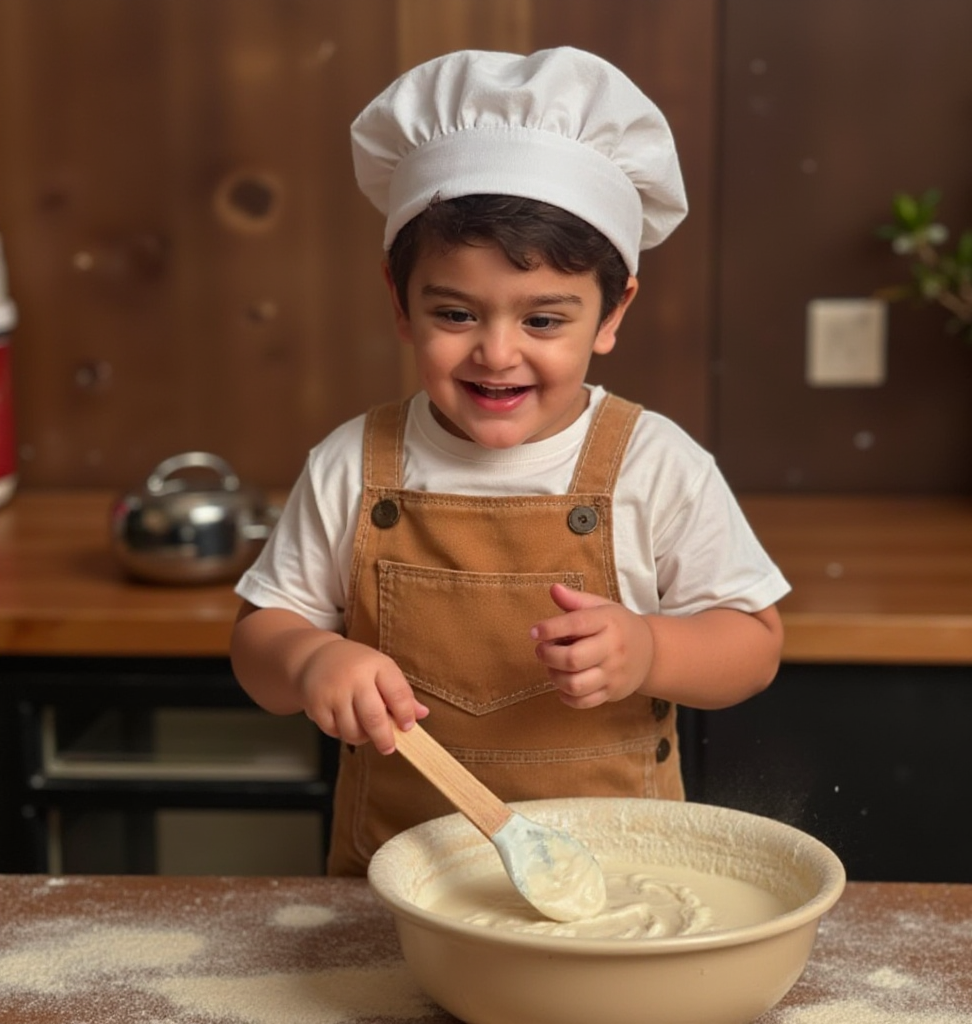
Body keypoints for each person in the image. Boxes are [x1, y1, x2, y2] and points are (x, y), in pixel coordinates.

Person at [230, 46, 790, 875]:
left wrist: (650, 651)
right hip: (402, 881)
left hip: (617, 878)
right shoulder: (354, 464)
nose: (497, 354)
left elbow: (754, 644)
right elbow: (258, 642)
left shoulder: (654, 463)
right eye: (455, 313)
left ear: (612, 311)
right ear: (399, 300)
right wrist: (310, 658)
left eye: (543, 322)